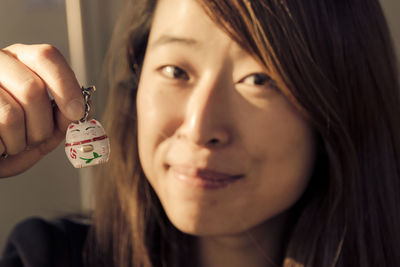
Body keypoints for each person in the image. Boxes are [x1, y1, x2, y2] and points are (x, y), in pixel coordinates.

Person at [1, 0, 399, 266]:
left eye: (260, 79)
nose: (199, 128)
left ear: (341, 105)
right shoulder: (45, 256)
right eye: (176, 71)